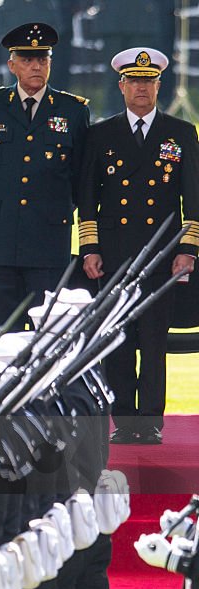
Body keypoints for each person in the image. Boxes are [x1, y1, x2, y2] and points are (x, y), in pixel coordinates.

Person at [78, 47, 198, 446]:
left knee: (153, 340)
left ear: (159, 85)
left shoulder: (180, 133)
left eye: (148, 81)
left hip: (161, 255)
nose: (142, 88)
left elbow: (193, 199)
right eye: (134, 81)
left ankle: (150, 421)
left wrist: (189, 249)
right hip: (114, 256)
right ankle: (125, 421)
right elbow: (86, 198)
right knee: (118, 341)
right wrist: (89, 248)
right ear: (122, 85)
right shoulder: (100, 133)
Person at [0, 22, 89, 336]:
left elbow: (79, 177)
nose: (36, 65)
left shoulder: (73, 111)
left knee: (47, 335)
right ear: (12, 65)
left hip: (48, 241)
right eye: (27, 59)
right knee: (1, 337)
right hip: (2, 239)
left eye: (43, 59)